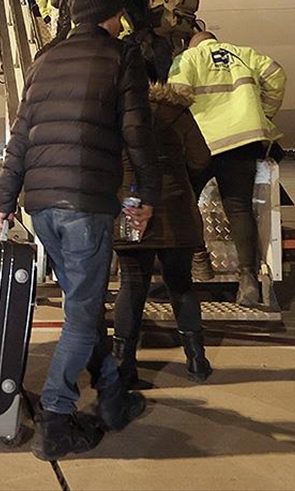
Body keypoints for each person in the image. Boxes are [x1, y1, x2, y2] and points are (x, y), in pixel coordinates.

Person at [0, 0, 162, 461]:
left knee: (82, 312)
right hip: (85, 203)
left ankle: (111, 397)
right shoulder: (120, 56)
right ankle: (58, 419)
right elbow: (136, 130)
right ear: (111, 14)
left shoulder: (44, 60)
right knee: (82, 317)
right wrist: (146, 193)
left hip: (42, 205)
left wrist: (6, 199)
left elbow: (21, 136)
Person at [111, 39, 213, 391]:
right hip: (176, 209)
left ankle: (124, 366)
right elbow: (201, 159)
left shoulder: (117, 114)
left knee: (132, 284)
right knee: (181, 285)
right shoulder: (176, 112)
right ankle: (197, 359)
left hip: (130, 210)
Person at [168, 31, 287, 307]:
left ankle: (198, 259)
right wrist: (262, 112)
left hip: (203, 142)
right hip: (243, 141)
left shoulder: (189, 58)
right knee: (239, 208)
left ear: (192, 44)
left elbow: (175, 96)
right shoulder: (244, 53)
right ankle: (247, 281)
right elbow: (277, 75)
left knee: (184, 202)